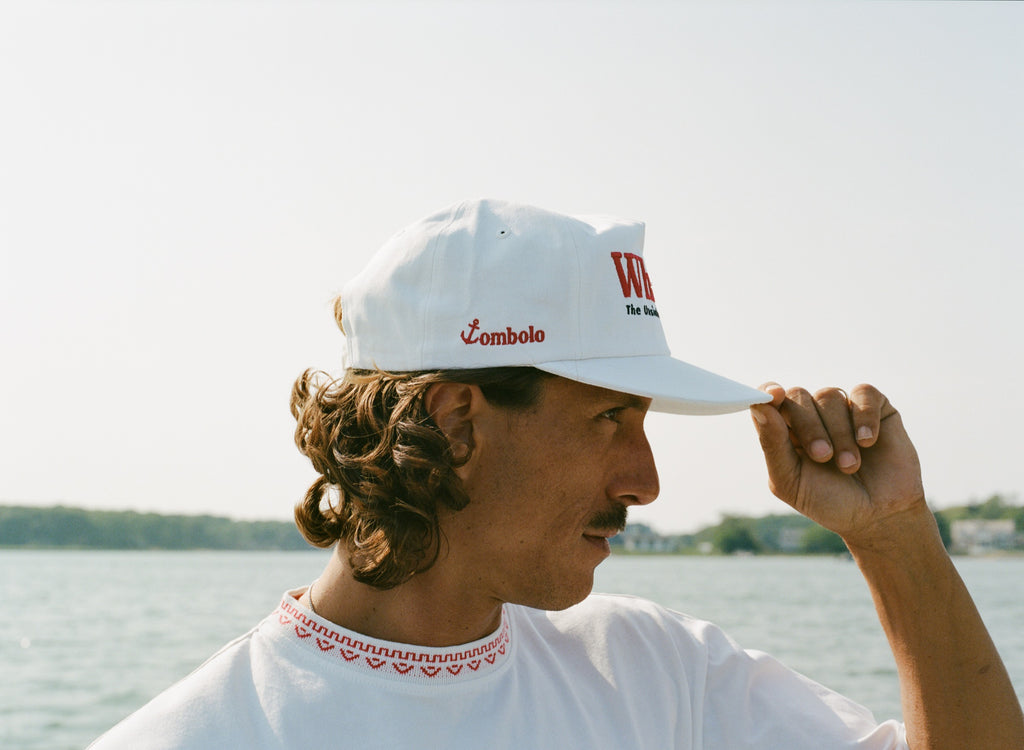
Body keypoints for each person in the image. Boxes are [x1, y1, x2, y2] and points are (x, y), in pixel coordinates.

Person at [90, 199, 1023, 749]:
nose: (647, 481)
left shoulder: (658, 673)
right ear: (456, 421)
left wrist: (895, 538)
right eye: (610, 417)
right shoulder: (200, 736)